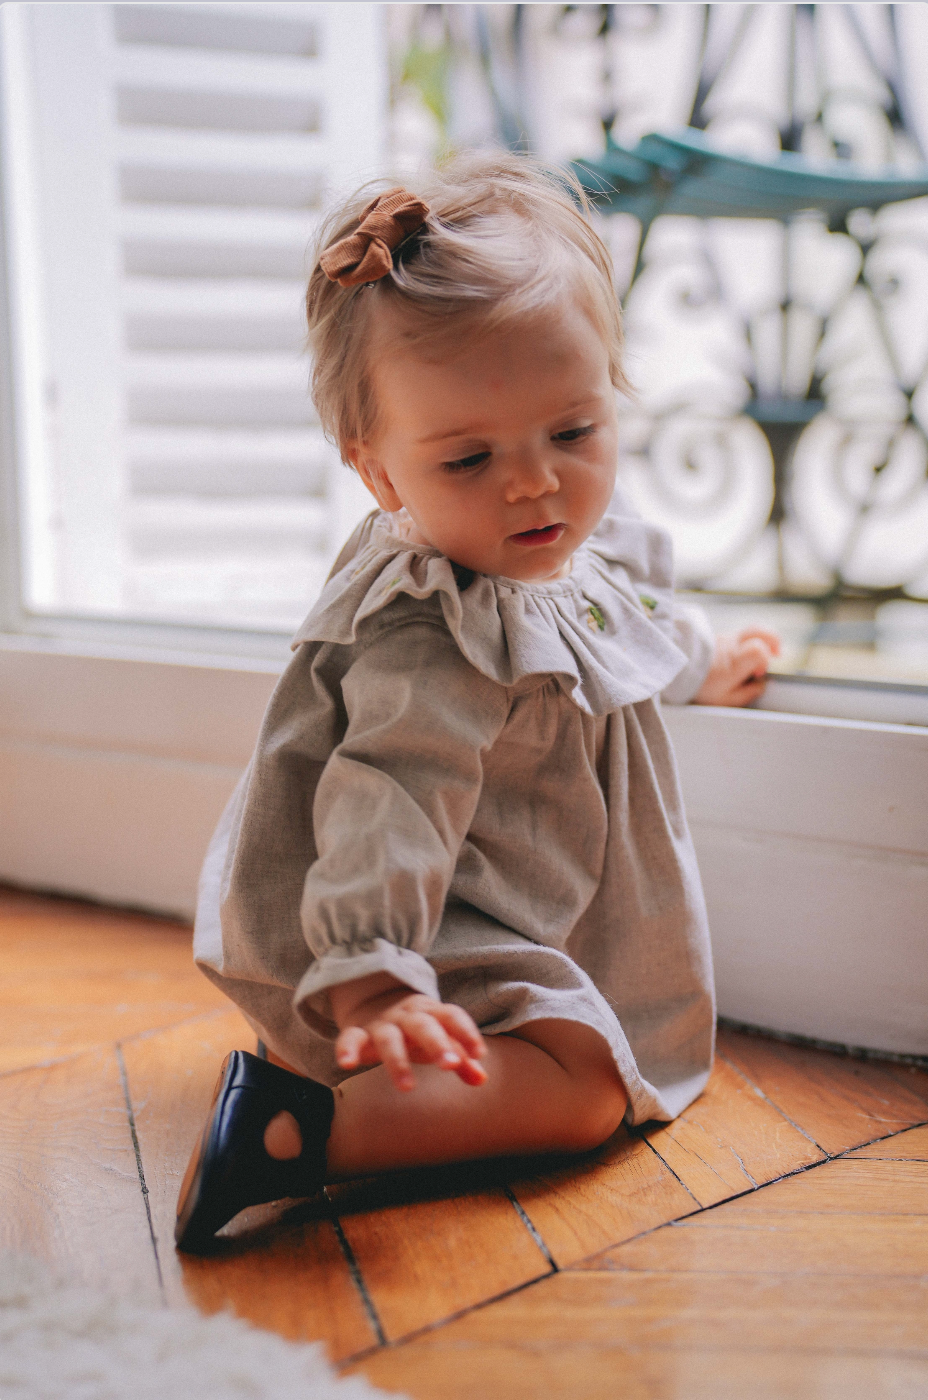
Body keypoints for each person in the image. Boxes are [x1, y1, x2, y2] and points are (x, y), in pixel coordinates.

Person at [175, 154, 780, 1253]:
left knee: (585, 1051)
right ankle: (295, 1133)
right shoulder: (432, 629)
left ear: (610, 393)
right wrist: (372, 980)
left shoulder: (535, 543)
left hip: (501, 903)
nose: (534, 484)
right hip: (425, 930)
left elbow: (609, 617)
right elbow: (386, 801)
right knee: (588, 1088)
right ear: (379, 472)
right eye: (467, 457)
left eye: (573, 433)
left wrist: (699, 661)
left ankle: (331, 1093)